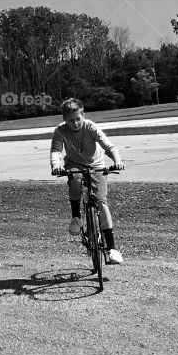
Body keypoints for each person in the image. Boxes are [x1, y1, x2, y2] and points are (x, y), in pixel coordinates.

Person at [49, 97, 124, 264]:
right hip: (75, 163)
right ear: (64, 120)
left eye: (78, 119)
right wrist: (56, 165)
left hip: (96, 164)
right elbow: (56, 151)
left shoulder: (90, 127)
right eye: (71, 120)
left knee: (101, 201)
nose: (75, 123)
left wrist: (117, 160)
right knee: (75, 179)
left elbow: (108, 146)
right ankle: (76, 217)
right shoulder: (60, 130)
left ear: (83, 115)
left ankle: (112, 248)